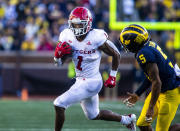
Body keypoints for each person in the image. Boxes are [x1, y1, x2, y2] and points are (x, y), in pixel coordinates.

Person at [53, 7, 136, 131]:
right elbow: (59, 64)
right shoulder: (66, 35)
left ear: (88, 23)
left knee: (59, 104)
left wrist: (112, 76)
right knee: (93, 115)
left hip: (92, 81)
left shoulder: (96, 37)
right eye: (74, 25)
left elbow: (116, 54)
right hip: (80, 80)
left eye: (80, 24)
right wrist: (57, 56)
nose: (77, 28)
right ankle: (127, 120)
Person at [119, 24, 180, 131]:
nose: (125, 46)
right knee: (142, 123)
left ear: (133, 43)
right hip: (160, 90)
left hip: (170, 93)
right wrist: (138, 93)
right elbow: (152, 76)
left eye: (126, 43)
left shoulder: (144, 53)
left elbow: (157, 82)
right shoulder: (148, 45)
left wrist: (151, 108)